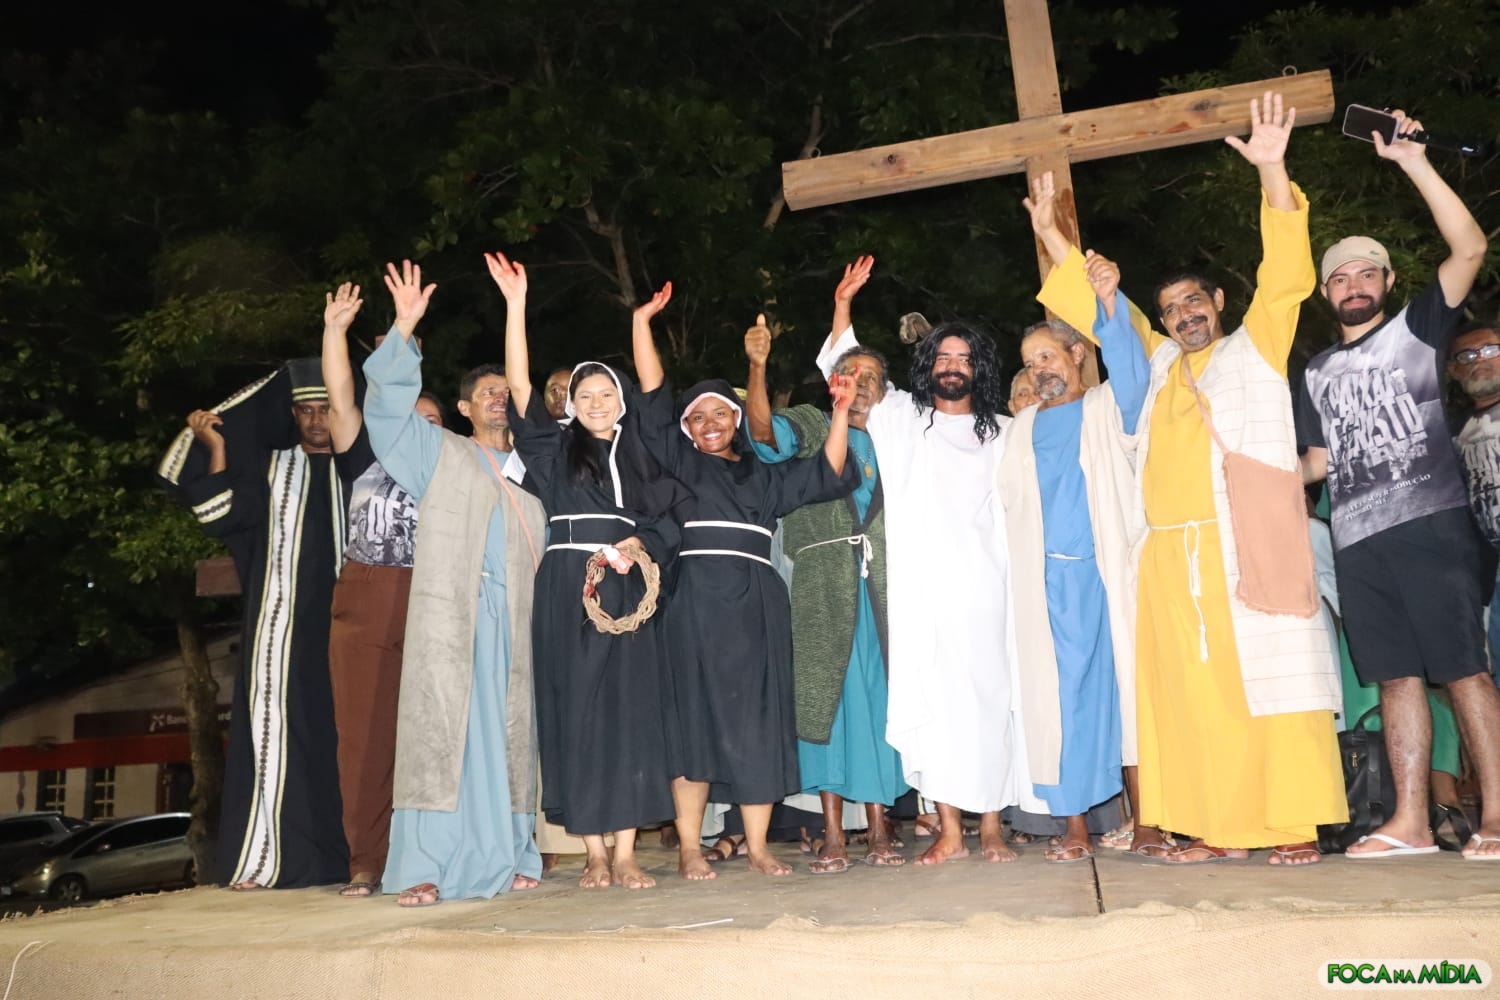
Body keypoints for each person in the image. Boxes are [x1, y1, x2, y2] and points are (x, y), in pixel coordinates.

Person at [1035, 91, 1345, 866]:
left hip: (1246, 541)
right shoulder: (1161, 361)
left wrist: (1272, 171)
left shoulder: (1257, 345)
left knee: (1271, 683)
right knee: (1192, 698)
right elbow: (1106, 314)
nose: (1182, 315)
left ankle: (1294, 824)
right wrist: (1053, 235)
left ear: (1219, 302)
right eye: (1171, 308)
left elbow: (1288, 274)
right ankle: (1210, 826)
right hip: (1169, 556)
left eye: (1193, 302)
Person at [1297, 111, 1499, 861]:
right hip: (1358, 541)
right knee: (1394, 677)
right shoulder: (1315, 371)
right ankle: (1409, 821)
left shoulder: (1417, 326)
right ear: (1325, 292)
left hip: (1430, 526)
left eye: (1366, 272)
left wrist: (1413, 161)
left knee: (1464, 671)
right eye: (1339, 276)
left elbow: (1469, 247)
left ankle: (1497, 817)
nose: (1353, 285)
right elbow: (1316, 462)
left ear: (1386, 282)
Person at [632, 282, 860, 880]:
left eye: (719, 413)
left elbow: (829, 470)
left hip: (757, 605)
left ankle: (758, 847)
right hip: (693, 603)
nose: (708, 424)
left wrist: (839, 410)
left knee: (759, 721)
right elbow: (652, 397)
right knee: (692, 722)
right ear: (686, 429)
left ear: (736, 420)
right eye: (696, 417)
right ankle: (689, 846)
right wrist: (642, 323)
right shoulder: (679, 463)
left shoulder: (765, 476)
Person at [816, 278, 1039, 867]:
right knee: (935, 707)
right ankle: (950, 831)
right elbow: (846, 372)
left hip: (989, 592)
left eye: (963, 358)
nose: (952, 366)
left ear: (977, 369)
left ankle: (991, 827)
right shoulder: (903, 419)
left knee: (991, 703)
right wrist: (843, 305)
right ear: (928, 367)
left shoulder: (1005, 432)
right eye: (942, 357)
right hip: (921, 594)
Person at [489, 251, 683, 890]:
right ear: (571, 404)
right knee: (575, 707)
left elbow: (670, 516)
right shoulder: (553, 449)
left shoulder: (643, 452)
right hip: (567, 586)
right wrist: (516, 305)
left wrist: (638, 545)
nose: (597, 402)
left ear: (620, 402)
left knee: (628, 709)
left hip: (626, 582)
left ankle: (625, 852)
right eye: (585, 395)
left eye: (607, 394)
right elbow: (520, 388)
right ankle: (594, 852)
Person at [362, 259, 548, 906]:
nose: (498, 397)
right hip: (452, 619)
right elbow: (385, 415)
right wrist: (403, 329)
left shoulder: (540, 471)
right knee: (443, 737)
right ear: (464, 408)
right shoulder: (439, 452)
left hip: (519, 622)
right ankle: (423, 865)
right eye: (484, 392)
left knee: (512, 737)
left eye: (505, 389)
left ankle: (514, 852)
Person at [743, 257, 909, 874]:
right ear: (832, 382)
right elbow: (763, 434)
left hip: (885, 589)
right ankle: (834, 832)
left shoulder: (900, 436)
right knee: (828, 704)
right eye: (849, 375)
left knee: (882, 699)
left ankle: (882, 826)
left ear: (885, 391)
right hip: (822, 587)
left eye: (871, 377)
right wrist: (758, 368)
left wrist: (845, 310)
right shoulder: (814, 425)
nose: (860, 384)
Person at [160, 361, 350, 890]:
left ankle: (360, 858)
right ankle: (267, 859)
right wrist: (216, 447)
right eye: (307, 411)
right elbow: (218, 516)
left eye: (325, 409)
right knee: (275, 738)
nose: (317, 421)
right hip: (280, 629)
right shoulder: (272, 466)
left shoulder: (360, 467)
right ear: (292, 414)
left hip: (350, 630)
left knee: (350, 740)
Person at [996, 250, 1159, 863]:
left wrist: (1109, 303)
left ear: (1076, 354)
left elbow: (1135, 370)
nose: (1039, 370)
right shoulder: (1019, 429)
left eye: (1047, 357)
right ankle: (1075, 829)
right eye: (1029, 362)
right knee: (1059, 704)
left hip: (1109, 576)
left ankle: (1148, 820)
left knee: (1130, 693)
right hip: (1046, 589)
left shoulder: (1108, 406)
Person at [320, 279, 446, 898]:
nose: (420, 425)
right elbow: (341, 395)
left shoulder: (449, 459)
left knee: (432, 732)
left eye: (433, 419)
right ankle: (366, 859)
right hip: (368, 595)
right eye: (412, 416)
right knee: (365, 733)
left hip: (434, 596)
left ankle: (429, 857)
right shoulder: (362, 448)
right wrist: (334, 332)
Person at [1451, 321, 1500, 669]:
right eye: (1467, 355)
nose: (1480, 359)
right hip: (1491, 575)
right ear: (1454, 371)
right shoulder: (1451, 434)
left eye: (1490, 350)